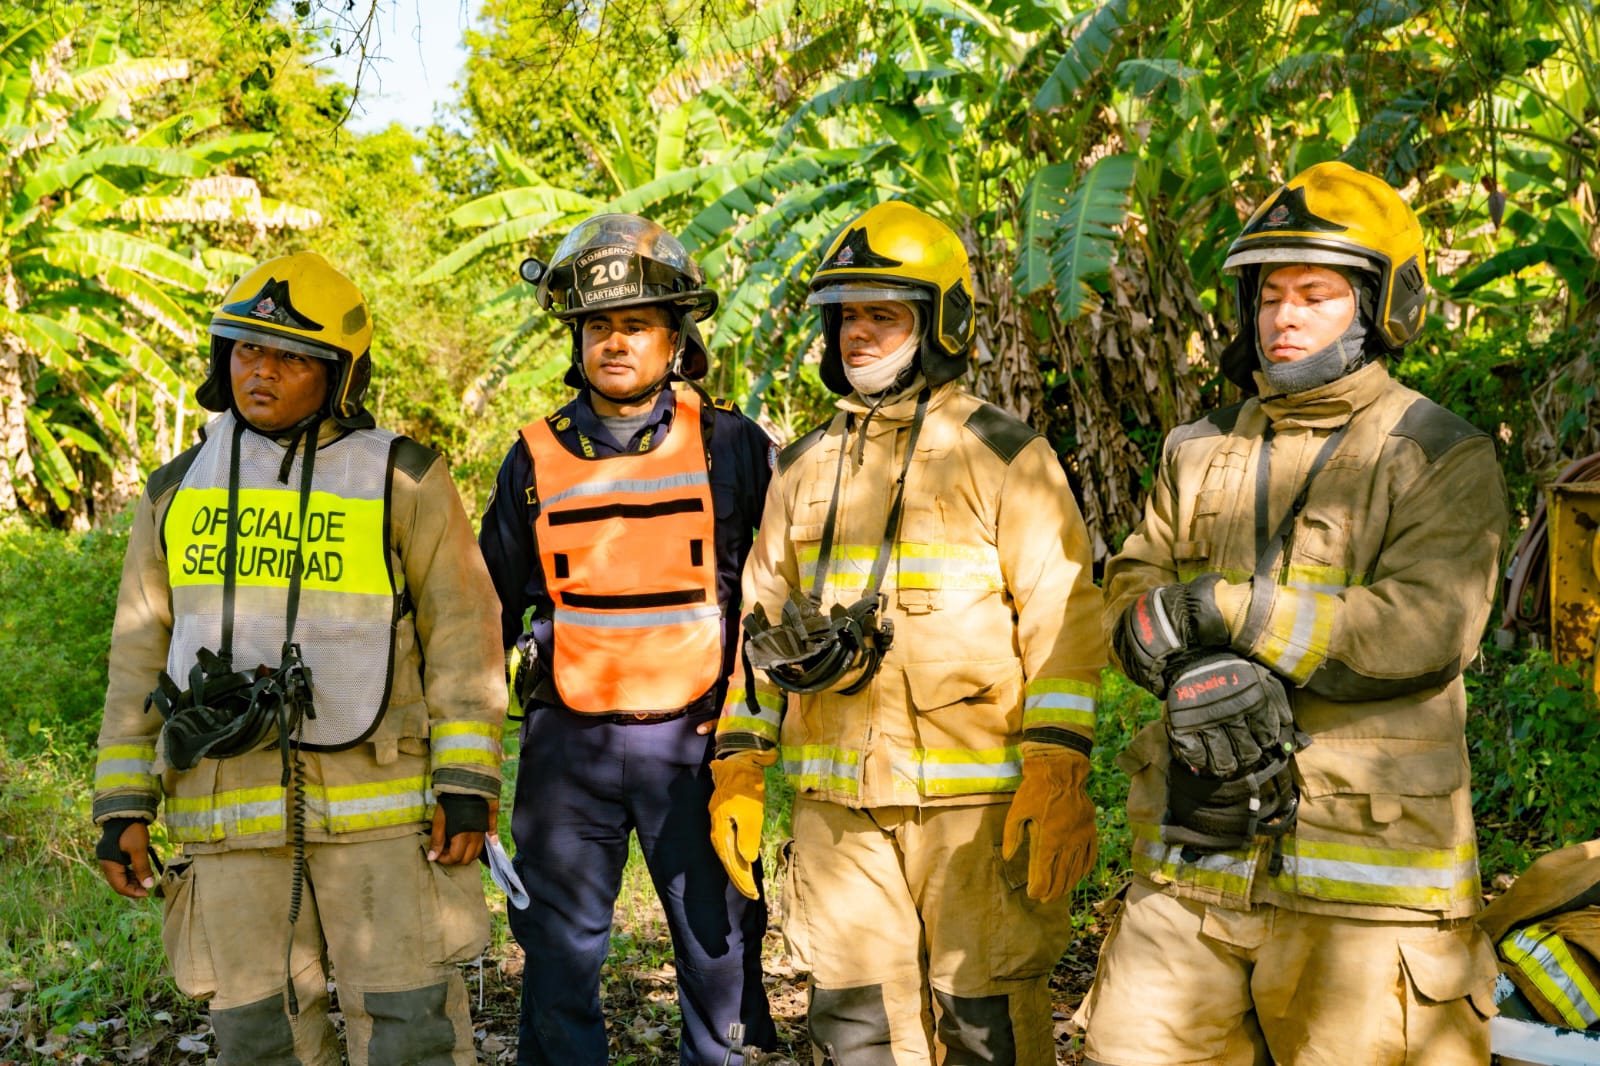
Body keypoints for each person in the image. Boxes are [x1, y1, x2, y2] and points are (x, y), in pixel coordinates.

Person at [1078, 160, 1508, 1064]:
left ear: (1383, 304)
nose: (1285, 317)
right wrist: (1187, 662)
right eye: (1270, 295)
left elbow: (1429, 626)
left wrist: (1230, 614)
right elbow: (1133, 589)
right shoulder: (1194, 449)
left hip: (1367, 893)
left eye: (1315, 294)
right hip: (1190, 868)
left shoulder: (1438, 452)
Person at [710, 200, 1104, 1065]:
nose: (856, 334)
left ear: (940, 323)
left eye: (881, 314)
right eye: (846, 315)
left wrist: (1058, 764)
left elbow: (1065, 618)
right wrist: (739, 763)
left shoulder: (1006, 454)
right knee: (856, 1032)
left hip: (976, 816)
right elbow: (760, 622)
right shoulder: (803, 465)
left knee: (985, 1028)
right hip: (837, 814)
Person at [92, 251, 506, 1066]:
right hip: (227, 814)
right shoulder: (174, 491)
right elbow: (140, 652)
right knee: (258, 1037)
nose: (263, 372)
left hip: (382, 818)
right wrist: (120, 806)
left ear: (339, 375)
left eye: (289, 356)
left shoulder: (404, 477)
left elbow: (464, 631)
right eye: (248, 351)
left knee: (409, 1028)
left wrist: (465, 785)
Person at [477, 214, 777, 1066]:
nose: (617, 342)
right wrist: (458, 757)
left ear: (675, 337)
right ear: (576, 337)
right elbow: (487, 610)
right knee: (559, 963)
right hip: (567, 749)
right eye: (600, 326)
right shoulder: (532, 456)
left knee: (718, 953)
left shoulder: (732, 445)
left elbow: (779, 589)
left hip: (699, 745)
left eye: (637, 325)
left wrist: (758, 740)